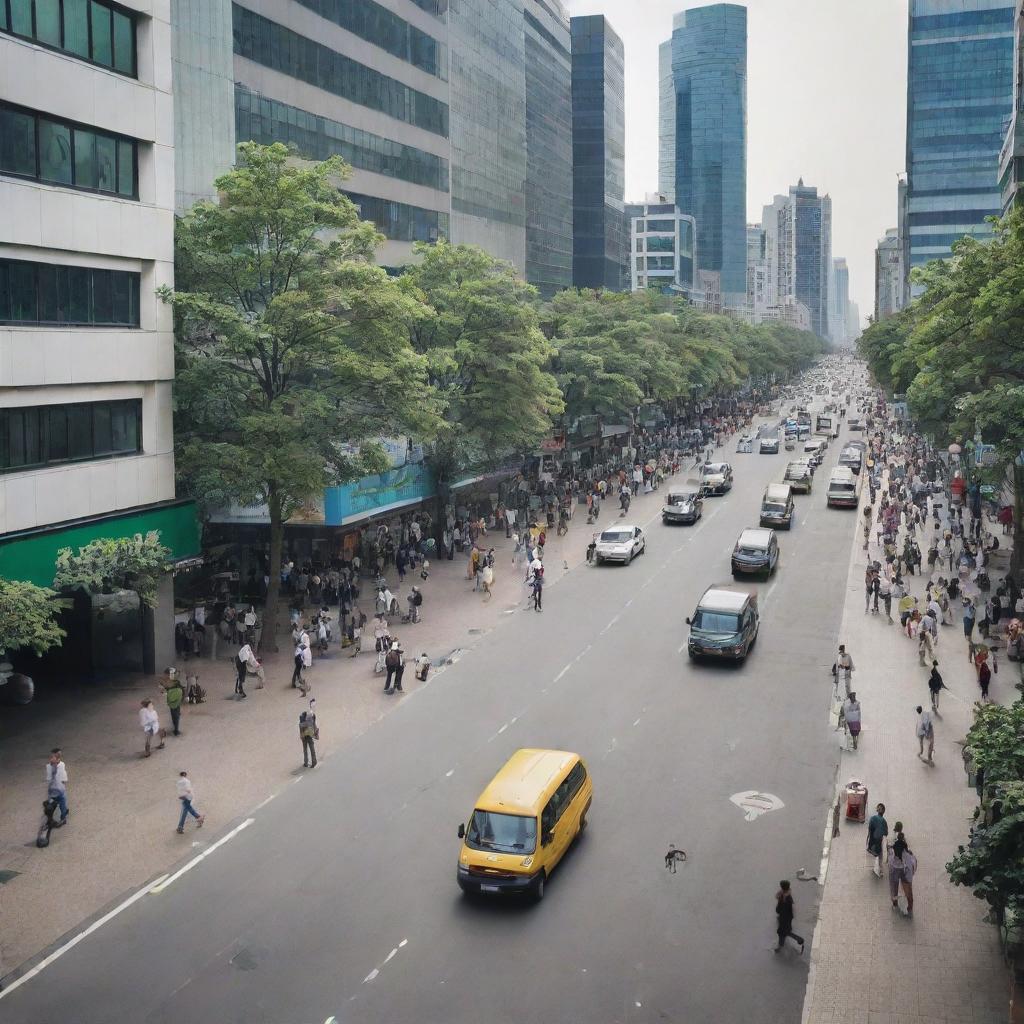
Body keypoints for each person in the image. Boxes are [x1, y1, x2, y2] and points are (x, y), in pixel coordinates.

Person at [887, 831, 917, 916]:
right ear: (903, 838)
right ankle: (910, 906)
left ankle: (895, 902)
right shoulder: (904, 845)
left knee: (894, 886)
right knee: (908, 888)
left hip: (895, 868)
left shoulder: (895, 844)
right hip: (904, 869)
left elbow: (891, 849)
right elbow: (907, 851)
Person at [773, 880, 804, 954]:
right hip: (785, 918)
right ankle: (799, 940)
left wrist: (782, 918)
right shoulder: (785, 896)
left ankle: (780, 947)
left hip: (784, 919)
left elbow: (780, 910)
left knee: (782, 933)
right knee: (786, 932)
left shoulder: (785, 899)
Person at [45, 748, 69, 827]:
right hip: (54, 789)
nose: (51, 759)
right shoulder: (50, 766)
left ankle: (62, 817)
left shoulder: (60, 765)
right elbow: (50, 777)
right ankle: (54, 818)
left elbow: (62, 775)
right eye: (51, 757)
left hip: (58, 789)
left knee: (60, 802)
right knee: (57, 803)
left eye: (53, 757)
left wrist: (63, 781)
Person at [866, 803, 888, 878]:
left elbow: (869, 829)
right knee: (880, 856)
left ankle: (876, 870)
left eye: (878, 808)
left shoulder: (873, 818)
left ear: (878, 810)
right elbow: (886, 833)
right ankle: (880, 871)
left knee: (875, 855)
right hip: (880, 841)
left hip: (873, 841)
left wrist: (868, 838)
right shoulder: (884, 822)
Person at [162, 668, 185, 736]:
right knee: (176, 716)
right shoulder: (173, 683)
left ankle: (175, 727)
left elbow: (165, 691)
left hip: (172, 702)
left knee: (173, 713)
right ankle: (176, 730)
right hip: (176, 702)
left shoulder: (168, 682)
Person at [299, 700, 319, 768]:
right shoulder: (311, 718)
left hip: (305, 736)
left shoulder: (303, 720)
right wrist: (316, 734)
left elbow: (301, 728)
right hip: (309, 734)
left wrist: (301, 736)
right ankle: (313, 762)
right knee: (311, 748)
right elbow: (314, 725)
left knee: (305, 749)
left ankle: (306, 763)